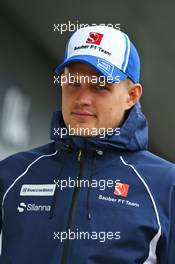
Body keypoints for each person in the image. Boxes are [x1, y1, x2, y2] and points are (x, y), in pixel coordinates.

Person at [0, 25, 175, 264]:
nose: (82, 99)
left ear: (131, 96)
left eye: (100, 86)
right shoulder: (11, 174)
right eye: (73, 83)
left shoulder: (166, 186)